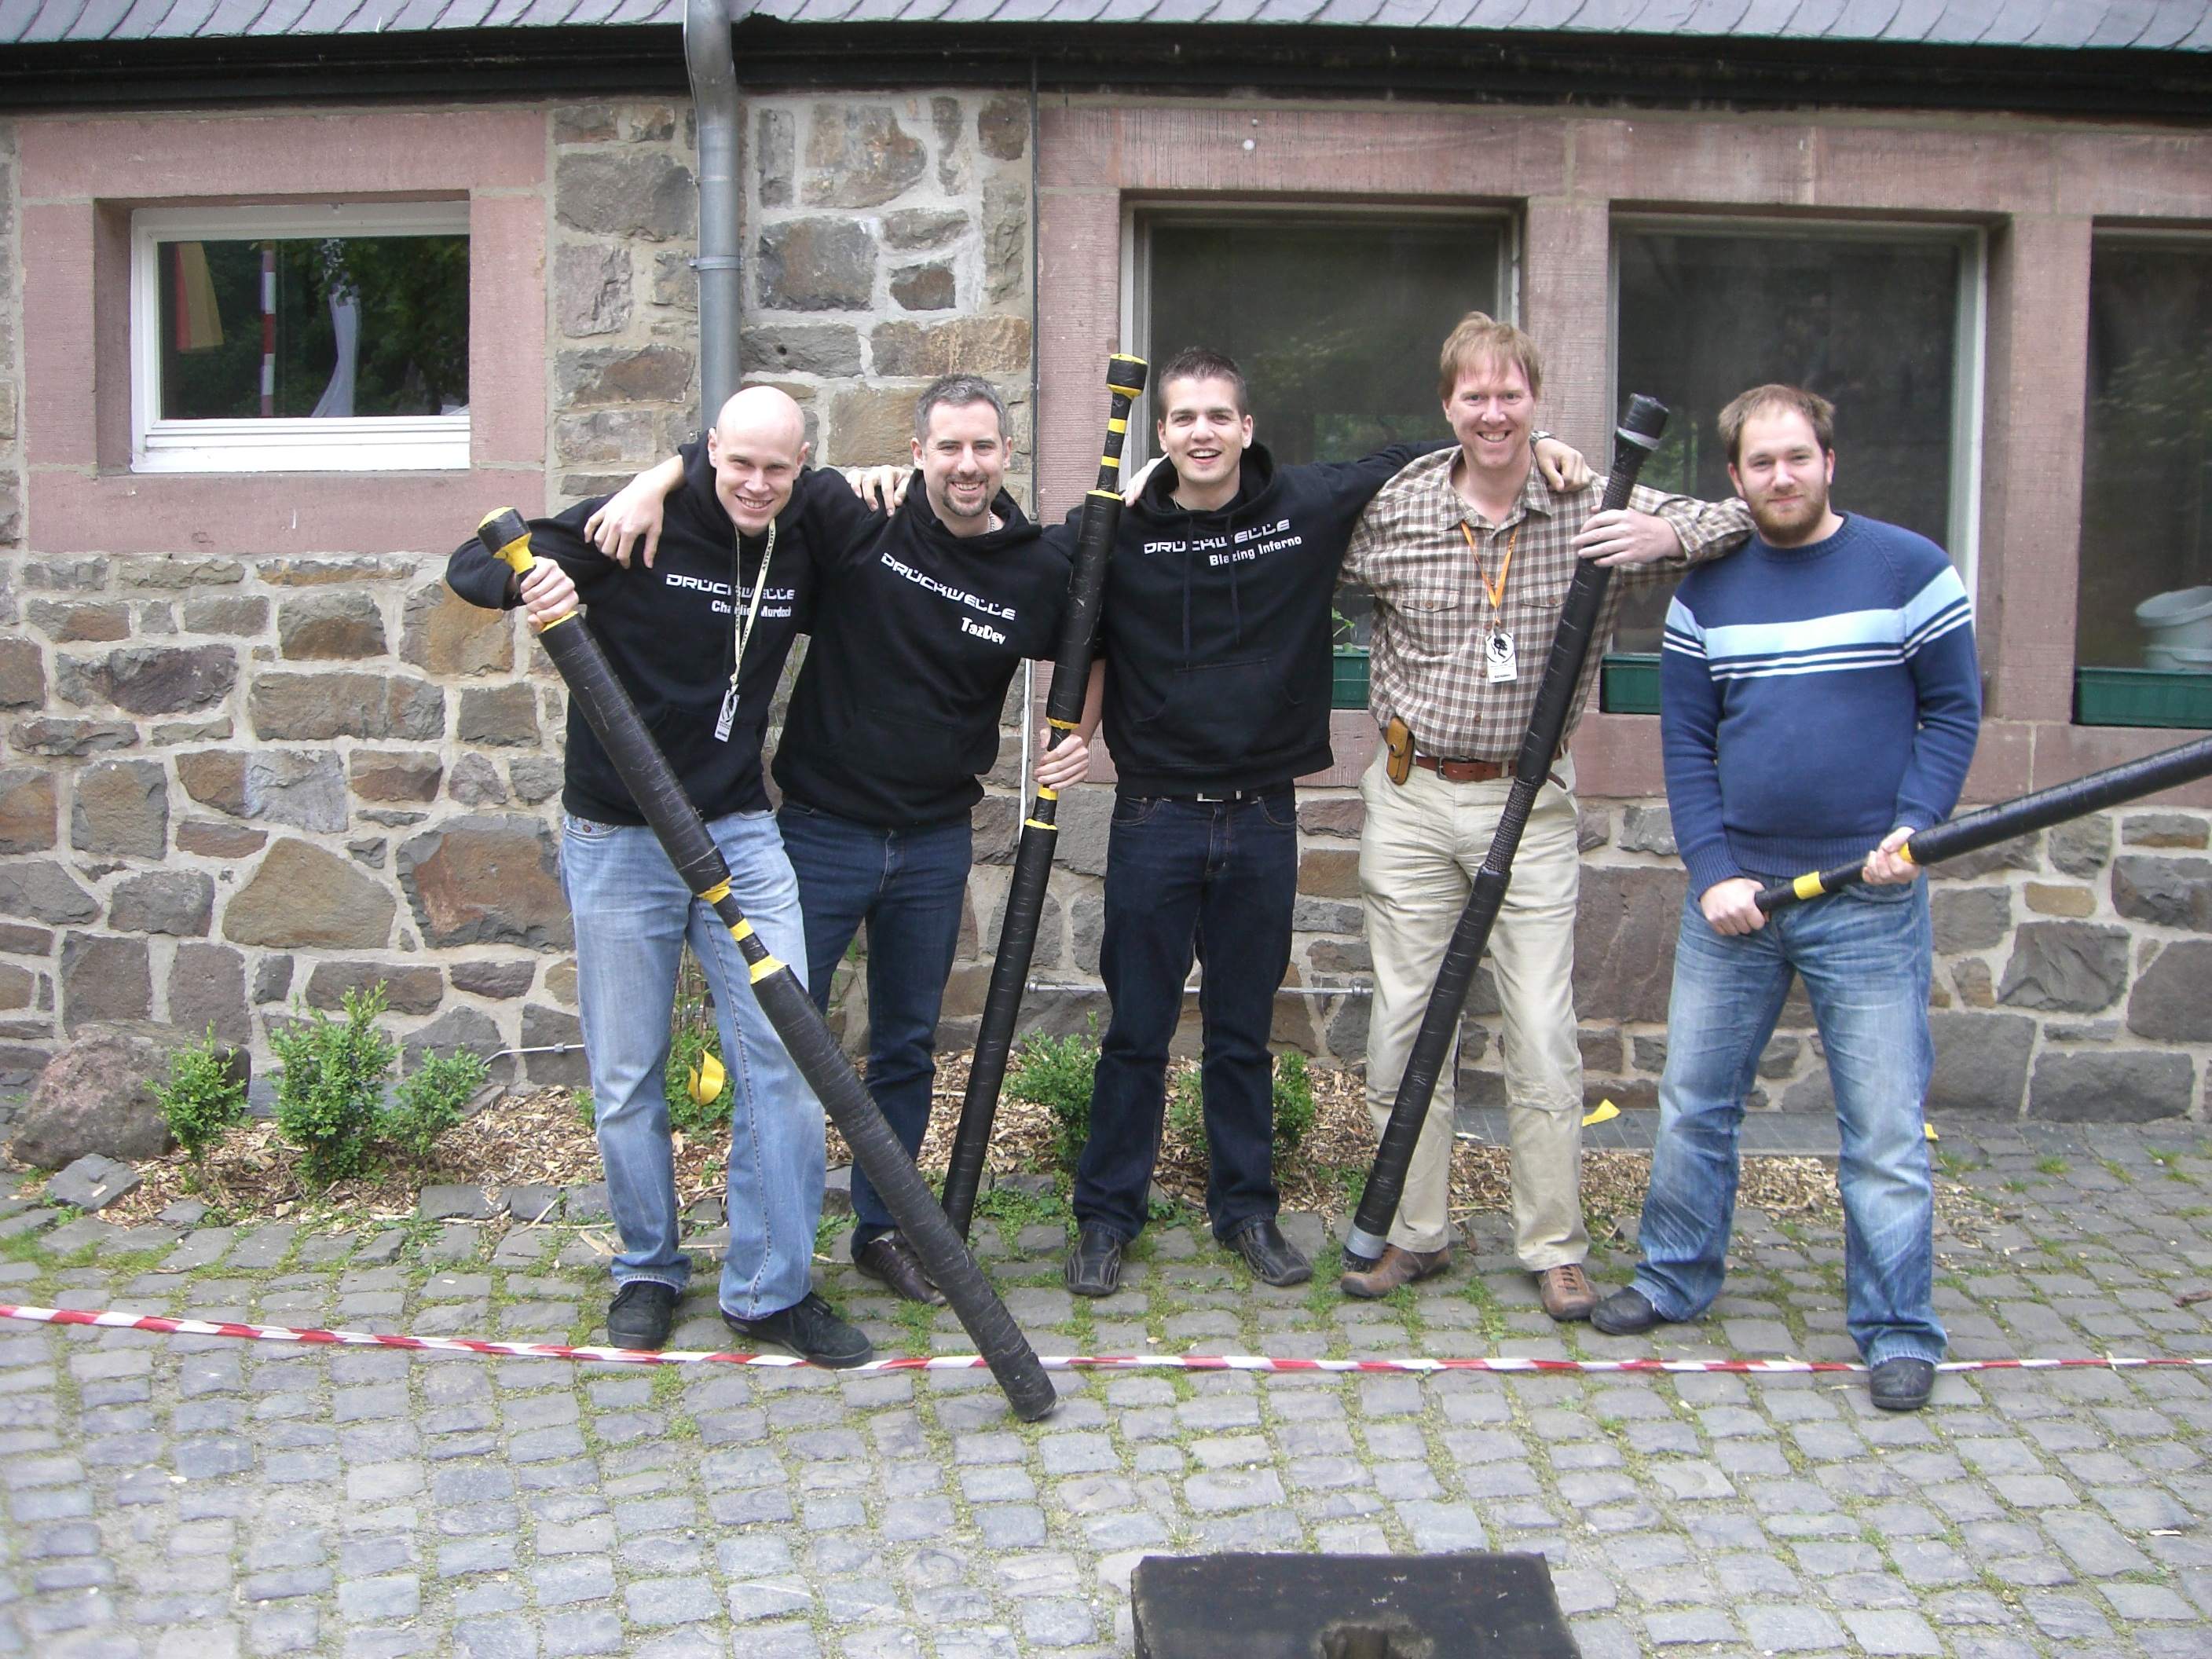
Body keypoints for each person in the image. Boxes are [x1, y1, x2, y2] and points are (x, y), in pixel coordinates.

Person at [1056, 348, 1595, 1298]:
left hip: (1262, 814)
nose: (1201, 433)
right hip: (1152, 815)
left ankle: (1245, 1212)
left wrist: (1537, 438)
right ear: (1160, 433)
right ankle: (1105, 1219)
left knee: (1241, 1033)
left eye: (1217, 416)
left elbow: (1430, 445)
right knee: (1135, 1029)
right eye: (1181, 419)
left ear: (1246, 427)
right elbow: (1030, 575)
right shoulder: (1117, 527)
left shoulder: (1301, 505)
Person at [585, 375, 1090, 1308]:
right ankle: (756, 1248)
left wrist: (1077, 735)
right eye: (948, 447)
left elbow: (1093, 637)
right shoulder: (859, 516)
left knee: (905, 1047)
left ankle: (882, 1231)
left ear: (1006, 455)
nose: (966, 465)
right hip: (817, 835)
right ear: (916, 451)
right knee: (776, 1046)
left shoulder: (1030, 567)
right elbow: (744, 469)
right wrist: (651, 482)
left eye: (982, 447)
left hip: (935, 843)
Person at [443, 386, 871, 1366]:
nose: (755, 484)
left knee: (786, 1056)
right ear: (710, 450)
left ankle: (769, 1289)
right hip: (618, 834)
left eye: (777, 468)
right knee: (628, 1073)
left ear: (801, 465)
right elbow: (473, 562)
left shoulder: (805, 520)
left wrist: (897, 476)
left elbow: (908, 527)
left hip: (738, 831)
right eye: (737, 464)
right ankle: (646, 1268)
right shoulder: (632, 522)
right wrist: (534, 586)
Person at [1339, 313, 1756, 1314]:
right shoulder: (1395, 509)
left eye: (1510, 395)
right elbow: (1289, 542)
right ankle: (1413, 1233)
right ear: (1447, 404)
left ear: (1534, 400)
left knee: (1538, 1029)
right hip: (1409, 794)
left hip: (1527, 805)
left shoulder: (1589, 504)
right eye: (1473, 396)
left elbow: (1737, 517)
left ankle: (1552, 1244)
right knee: (1403, 1028)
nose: (1492, 413)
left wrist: (1664, 533)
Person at [1591, 386, 1979, 1414]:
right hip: (1740, 899)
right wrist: (1712, 870)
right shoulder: (1705, 594)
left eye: (1797, 457)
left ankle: (1897, 1328)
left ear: (1828, 461)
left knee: (1882, 1128)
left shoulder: (1909, 570)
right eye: (1760, 463)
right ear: (1735, 477)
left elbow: (1952, 711)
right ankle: (1673, 1277)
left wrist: (1915, 826)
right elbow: (1686, 745)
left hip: (1868, 895)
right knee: (1693, 1103)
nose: (1781, 476)